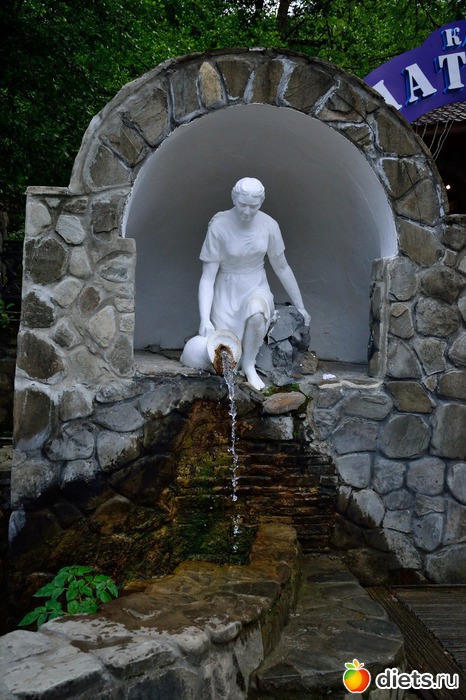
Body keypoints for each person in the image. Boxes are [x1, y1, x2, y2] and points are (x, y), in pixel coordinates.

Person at [197, 177, 310, 390]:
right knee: (227, 354)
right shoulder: (219, 226)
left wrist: (300, 306)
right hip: (227, 290)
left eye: (253, 206)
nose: (247, 211)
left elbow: (282, 267)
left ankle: (250, 366)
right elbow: (207, 277)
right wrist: (204, 318)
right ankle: (236, 367)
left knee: (257, 313)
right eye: (242, 205)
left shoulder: (269, 225)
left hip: (256, 284)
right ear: (234, 199)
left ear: (261, 203)